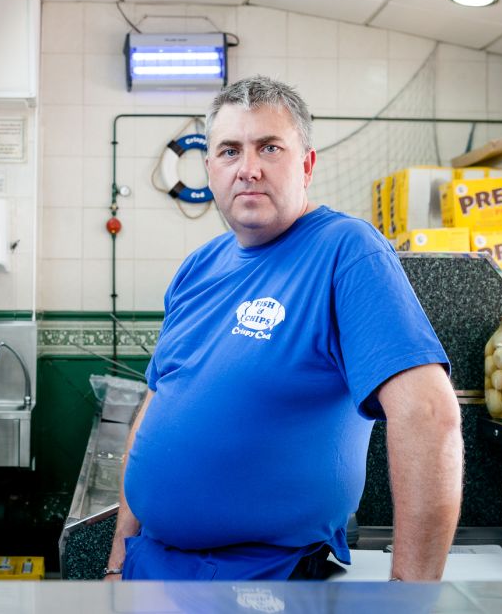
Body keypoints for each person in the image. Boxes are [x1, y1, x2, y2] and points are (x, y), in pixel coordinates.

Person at [104, 76, 463, 582]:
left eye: (269, 148)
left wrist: (409, 598)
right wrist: (118, 561)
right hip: (153, 567)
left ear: (306, 164)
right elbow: (157, 403)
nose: (248, 169)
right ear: (209, 169)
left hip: (265, 579)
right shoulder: (197, 268)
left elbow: (428, 413)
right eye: (229, 151)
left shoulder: (346, 250)